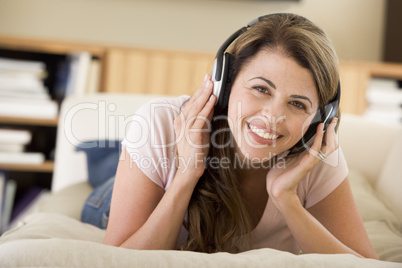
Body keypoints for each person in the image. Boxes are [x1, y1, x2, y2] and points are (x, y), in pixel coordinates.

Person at [101, 13, 377, 258]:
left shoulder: (314, 150)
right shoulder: (159, 122)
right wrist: (186, 176)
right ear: (226, 84)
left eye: (297, 104)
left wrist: (286, 198)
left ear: (320, 117)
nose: (272, 117)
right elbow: (117, 260)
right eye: (261, 89)